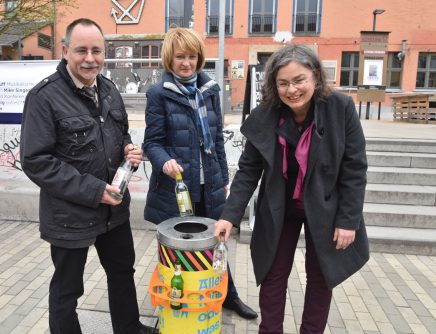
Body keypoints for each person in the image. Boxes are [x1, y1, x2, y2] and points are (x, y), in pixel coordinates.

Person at [214, 44, 369, 333]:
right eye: (283, 83)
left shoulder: (341, 108)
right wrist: (229, 215)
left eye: (299, 80)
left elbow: (355, 168)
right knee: (273, 274)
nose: (292, 90)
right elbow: (248, 170)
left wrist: (348, 221)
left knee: (320, 276)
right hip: (279, 207)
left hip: (325, 207)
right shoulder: (265, 115)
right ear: (274, 85)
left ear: (315, 78)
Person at [20, 18, 157, 334]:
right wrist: (94, 190)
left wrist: (128, 152)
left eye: (97, 50)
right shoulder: (44, 98)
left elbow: (119, 135)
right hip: (70, 215)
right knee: (68, 290)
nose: (90, 58)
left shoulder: (108, 90)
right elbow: (36, 161)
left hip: (114, 210)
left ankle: (129, 328)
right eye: (81, 50)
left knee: (122, 272)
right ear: (65, 50)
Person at [142, 27, 257, 320]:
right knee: (181, 251)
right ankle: (180, 301)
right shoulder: (158, 94)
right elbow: (152, 143)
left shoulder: (209, 91)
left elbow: (216, 139)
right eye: (180, 57)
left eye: (192, 56)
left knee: (216, 245)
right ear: (170, 58)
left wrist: (224, 180)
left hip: (210, 186)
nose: (186, 63)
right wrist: (164, 161)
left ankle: (227, 295)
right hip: (178, 189)